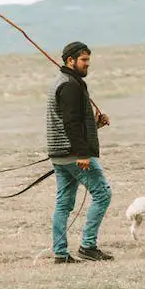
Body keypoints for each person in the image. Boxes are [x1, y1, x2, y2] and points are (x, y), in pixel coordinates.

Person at [47, 41, 113, 263]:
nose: (87, 65)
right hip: (74, 154)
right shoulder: (71, 86)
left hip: (60, 154)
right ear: (70, 61)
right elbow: (71, 124)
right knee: (103, 194)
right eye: (84, 61)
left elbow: (73, 122)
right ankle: (88, 246)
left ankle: (60, 253)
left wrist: (95, 124)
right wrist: (83, 154)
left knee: (64, 203)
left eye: (88, 61)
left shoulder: (64, 82)